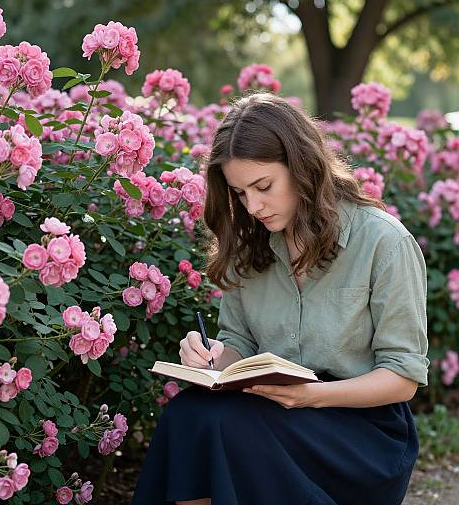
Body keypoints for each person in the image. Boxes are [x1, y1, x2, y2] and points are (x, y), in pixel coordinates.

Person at [132, 92, 429, 505]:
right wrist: (213, 360)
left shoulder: (384, 242)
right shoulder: (249, 246)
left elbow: (402, 377)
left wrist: (312, 396)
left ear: (302, 166)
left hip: (361, 433)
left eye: (263, 186)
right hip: (274, 412)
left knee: (230, 429)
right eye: (239, 193)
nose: (252, 206)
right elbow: (239, 345)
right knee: (188, 414)